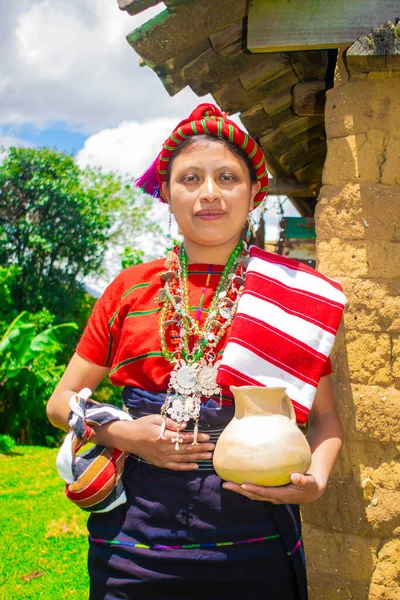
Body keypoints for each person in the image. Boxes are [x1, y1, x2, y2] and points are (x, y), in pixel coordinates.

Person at [47, 103, 343, 600]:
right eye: (190, 178)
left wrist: (314, 481)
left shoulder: (294, 296)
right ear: (166, 193)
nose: (209, 193)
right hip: (133, 549)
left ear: (254, 194)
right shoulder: (129, 289)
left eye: (227, 177)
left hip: (256, 547)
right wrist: (130, 435)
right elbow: (61, 403)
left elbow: (324, 419)